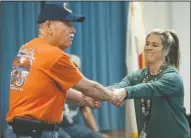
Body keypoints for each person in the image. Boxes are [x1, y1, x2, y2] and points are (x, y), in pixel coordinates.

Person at [6, 3, 116, 138]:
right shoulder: (55, 55)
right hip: (37, 133)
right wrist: (114, 96)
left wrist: (83, 99)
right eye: (67, 24)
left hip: (16, 131)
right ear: (48, 25)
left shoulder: (26, 48)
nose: (73, 30)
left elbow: (45, 87)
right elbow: (91, 88)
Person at [109, 29, 190, 138]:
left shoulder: (172, 77)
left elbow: (149, 88)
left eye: (155, 45)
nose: (148, 48)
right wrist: (93, 94)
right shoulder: (138, 75)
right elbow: (118, 87)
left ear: (165, 50)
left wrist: (125, 92)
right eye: (147, 44)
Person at [58, 54, 108, 138]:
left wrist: (98, 133)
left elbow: (86, 112)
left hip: (71, 126)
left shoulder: (80, 88)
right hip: (55, 127)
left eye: (75, 67)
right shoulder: (56, 84)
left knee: (97, 136)